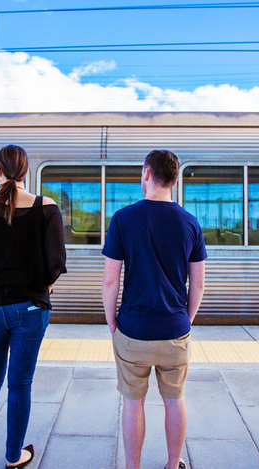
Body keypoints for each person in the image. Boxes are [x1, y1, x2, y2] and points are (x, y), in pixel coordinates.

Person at [0, 144, 67, 469]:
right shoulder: (47, 208)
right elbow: (56, 264)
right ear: (26, 172)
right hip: (31, 309)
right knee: (20, 383)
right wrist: (40, 290)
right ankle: (13, 457)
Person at [102, 149, 207, 469]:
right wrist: (183, 322)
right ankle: (173, 464)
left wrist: (113, 325)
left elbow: (110, 283)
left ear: (146, 174)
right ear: (175, 180)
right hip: (174, 330)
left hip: (133, 330)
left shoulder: (122, 219)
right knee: (175, 401)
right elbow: (198, 285)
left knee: (132, 404)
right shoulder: (190, 222)